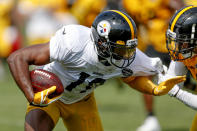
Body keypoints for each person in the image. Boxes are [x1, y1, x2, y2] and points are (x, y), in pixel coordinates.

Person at [7, 10, 185, 131]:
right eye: (119, 48)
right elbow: (17, 58)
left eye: (129, 48)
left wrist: (152, 89)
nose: (126, 55)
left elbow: (130, 77)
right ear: (101, 43)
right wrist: (32, 96)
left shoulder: (128, 57)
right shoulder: (75, 42)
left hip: (82, 101)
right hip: (50, 97)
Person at [160, 5, 197, 131]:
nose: (177, 45)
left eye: (182, 40)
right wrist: (159, 73)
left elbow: (175, 90)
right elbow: (173, 81)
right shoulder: (187, 51)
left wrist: (177, 93)